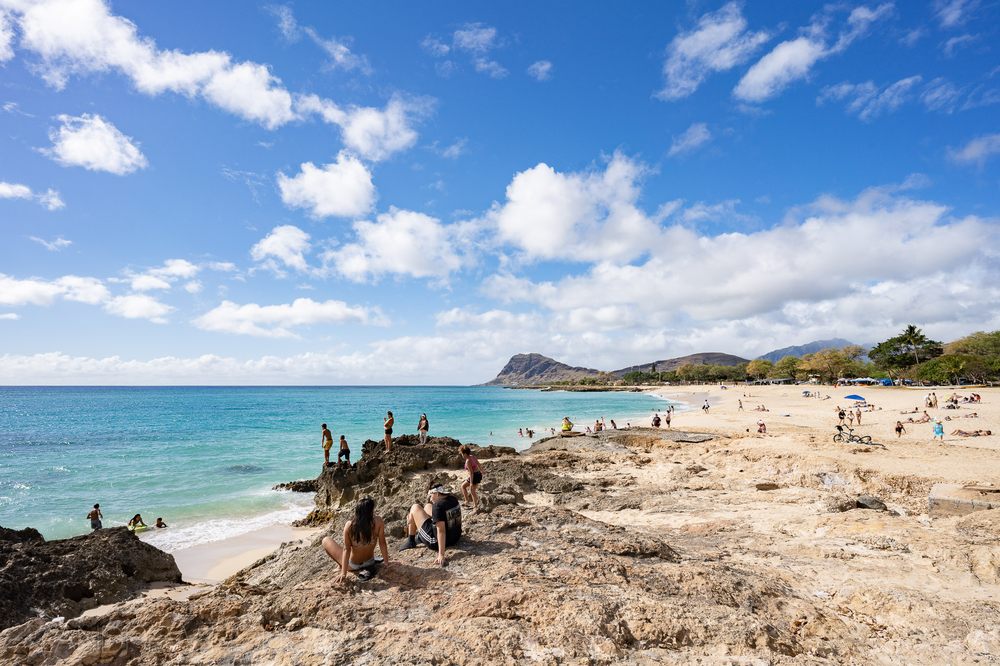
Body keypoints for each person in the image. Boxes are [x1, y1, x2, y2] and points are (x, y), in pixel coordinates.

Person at [323, 497, 389, 583]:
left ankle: (340, 566)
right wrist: (387, 563)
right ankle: (342, 566)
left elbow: (346, 549)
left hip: (353, 566)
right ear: (371, 511)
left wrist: (343, 573)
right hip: (370, 562)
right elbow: (382, 543)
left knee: (325, 540)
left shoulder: (350, 525)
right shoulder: (378, 521)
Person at [400, 484, 462, 567]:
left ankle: (411, 540)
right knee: (427, 506)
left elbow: (441, 531)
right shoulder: (453, 499)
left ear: (437, 494)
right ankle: (417, 533)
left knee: (414, 508)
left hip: (435, 541)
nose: (429, 497)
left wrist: (441, 554)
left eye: (430, 495)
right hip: (455, 537)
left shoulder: (438, 506)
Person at [459, 445, 482, 511]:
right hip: (478, 474)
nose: (461, 455)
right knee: (472, 490)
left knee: (465, 487)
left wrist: (471, 483)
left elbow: (471, 472)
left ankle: (472, 504)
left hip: (474, 475)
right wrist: (482, 471)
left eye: (462, 454)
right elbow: (478, 464)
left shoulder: (468, 461)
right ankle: (472, 503)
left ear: (465, 454)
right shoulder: (473, 456)